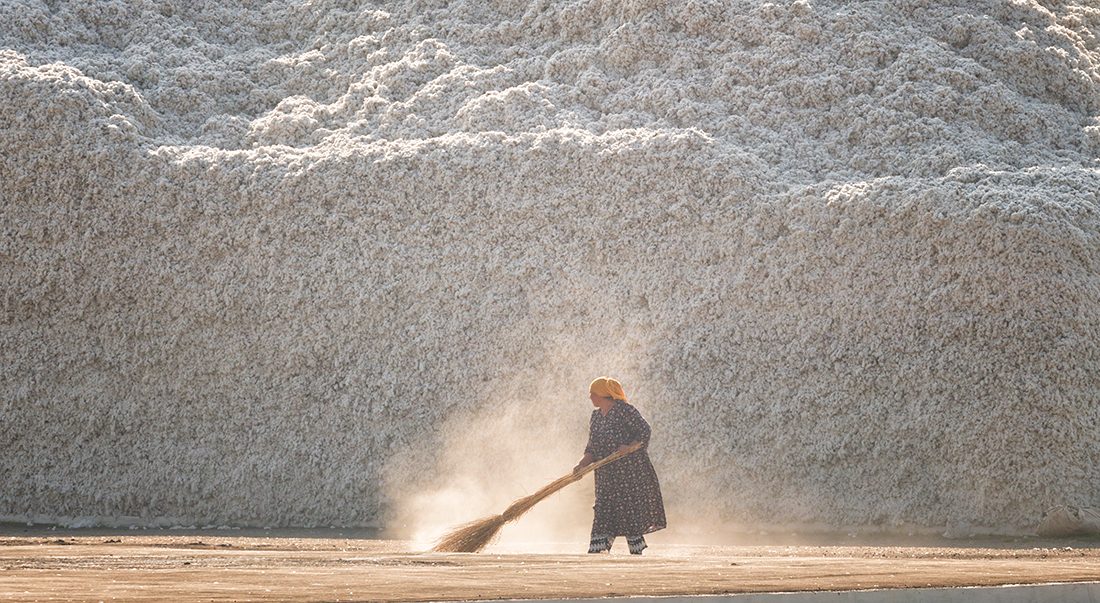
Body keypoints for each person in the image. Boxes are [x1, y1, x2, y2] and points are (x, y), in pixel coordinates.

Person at [573, 376, 666, 555]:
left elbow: (645, 431)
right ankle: (599, 551)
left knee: (628, 508)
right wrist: (581, 465)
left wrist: (629, 447)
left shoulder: (625, 410)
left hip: (629, 472)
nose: (590, 397)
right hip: (606, 474)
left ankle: (636, 554)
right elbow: (592, 447)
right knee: (603, 509)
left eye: (592, 393)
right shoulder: (596, 417)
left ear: (602, 395)